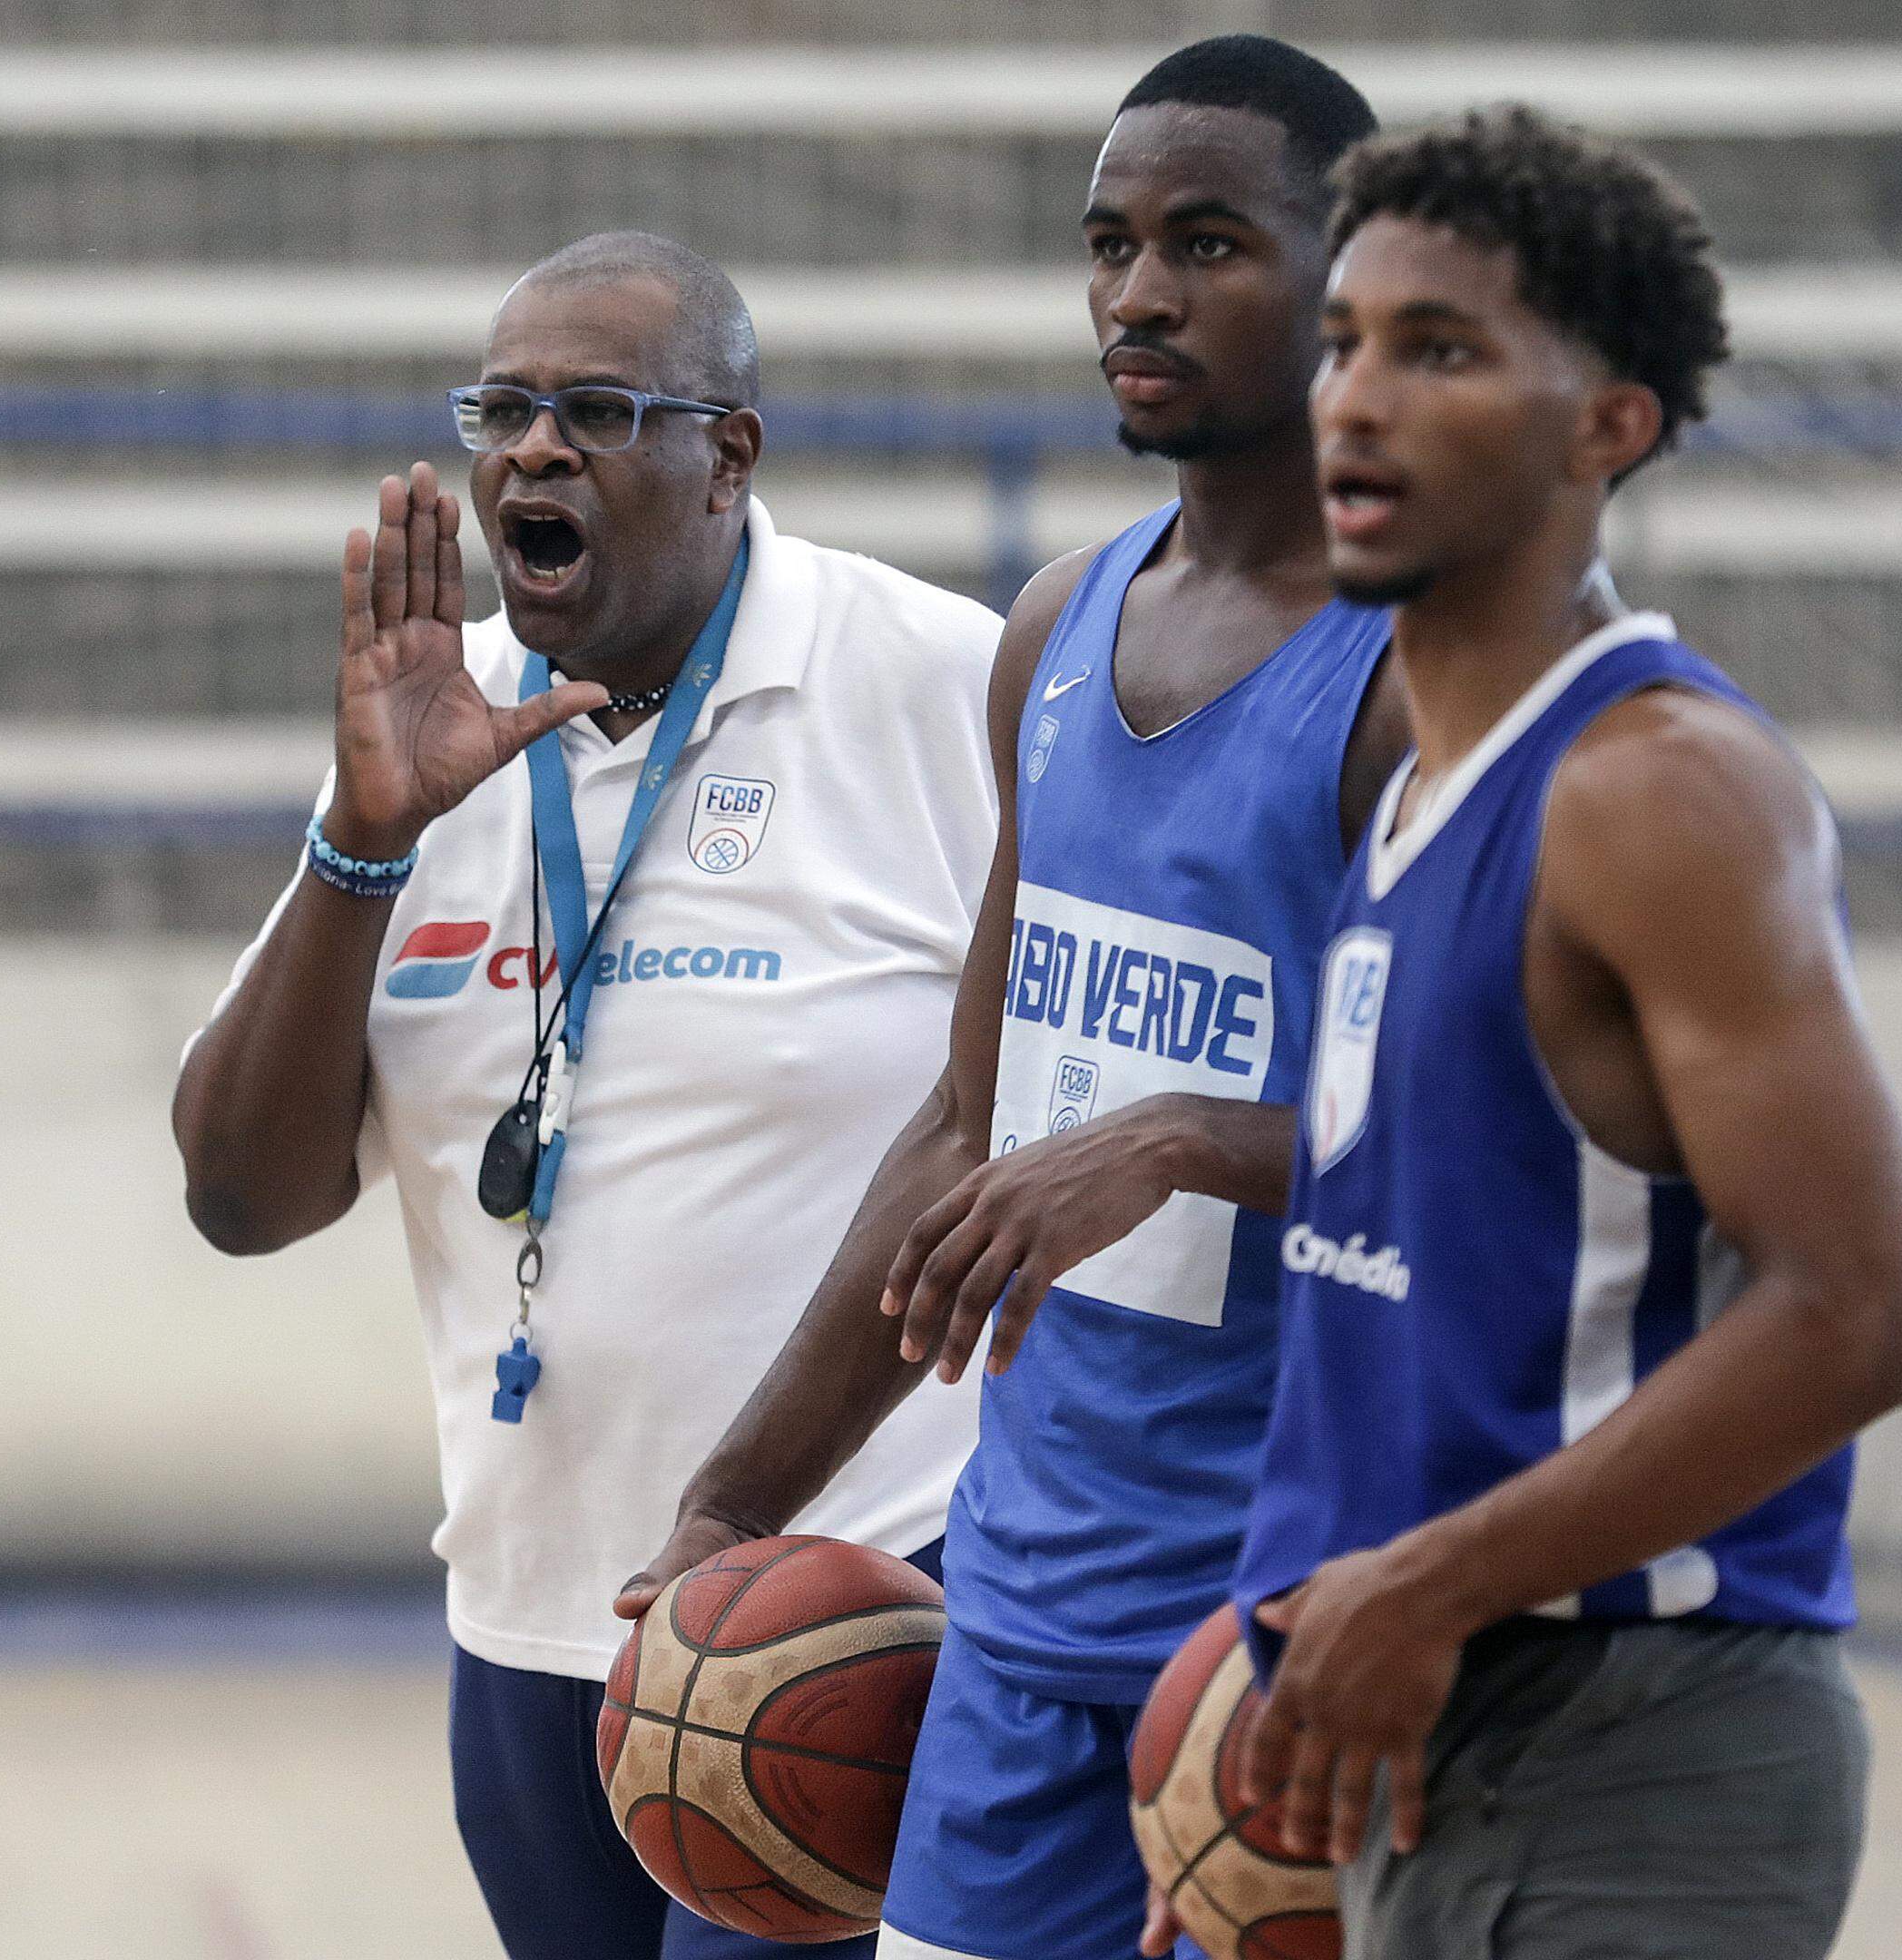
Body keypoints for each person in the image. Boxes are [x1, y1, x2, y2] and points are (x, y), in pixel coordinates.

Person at [613, 39, 1402, 1960]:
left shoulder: (1418, 682)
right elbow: (971, 1129)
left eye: (1206, 242)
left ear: (1351, 277)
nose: (1138, 292)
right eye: (1110, 245)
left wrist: (1176, 1142)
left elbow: (1513, 1161)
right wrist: (736, 1499)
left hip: (1286, 1642)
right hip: (1015, 1633)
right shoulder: (1052, 631)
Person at [171, 233, 1001, 1960]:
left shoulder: (937, 684)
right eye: (506, 411)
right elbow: (241, 1197)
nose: (533, 453)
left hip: (842, 1611)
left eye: (602, 411)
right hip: (526, 1630)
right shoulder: (426, 716)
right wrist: (362, 839)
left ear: (732, 457)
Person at [1227, 109, 1902, 1960]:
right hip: (1445, 1724)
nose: (1356, 400)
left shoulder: (1659, 790)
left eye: (1438, 350)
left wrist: (1424, 1585)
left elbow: (1856, 1312)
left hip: (1643, 1733)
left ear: (1610, 425)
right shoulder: (1412, 782)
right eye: (1345, 341)